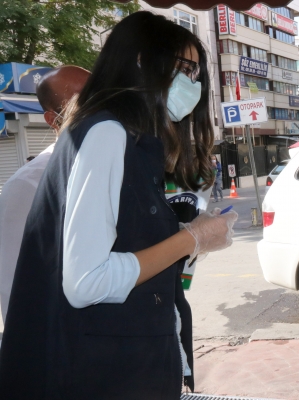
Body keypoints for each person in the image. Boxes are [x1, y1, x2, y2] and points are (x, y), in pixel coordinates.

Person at [0, 11, 238, 399]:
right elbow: (86, 282)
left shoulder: (124, 137)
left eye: (195, 74)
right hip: (98, 372)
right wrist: (192, 239)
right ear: (142, 63)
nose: (191, 84)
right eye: (183, 68)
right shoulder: (107, 133)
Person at [0, 65, 90, 323]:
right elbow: (14, 288)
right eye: (81, 103)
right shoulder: (28, 184)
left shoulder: (123, 165)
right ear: (53, 120)